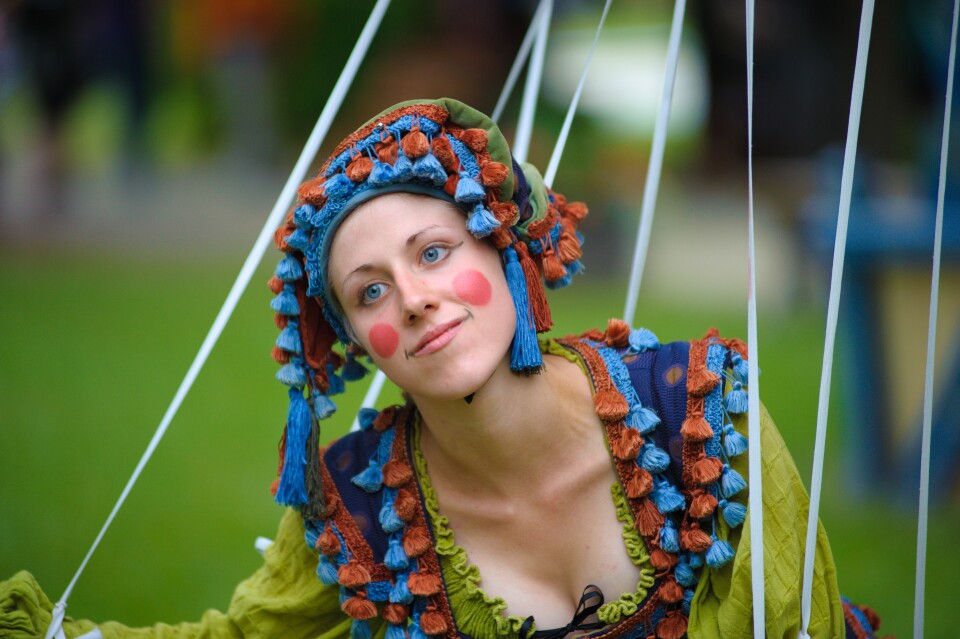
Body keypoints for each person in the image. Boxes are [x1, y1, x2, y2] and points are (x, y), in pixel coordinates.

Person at [0, 98, 884, 639]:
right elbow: (244, 634)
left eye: (432, 252)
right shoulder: (358, 505)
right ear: (347, 337)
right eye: (370, 291)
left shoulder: (701, 415)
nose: (414, 299)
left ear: (504, 251)